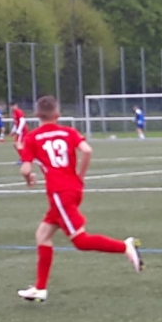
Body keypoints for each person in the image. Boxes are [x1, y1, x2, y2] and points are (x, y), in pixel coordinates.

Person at [16, 96, 143, 302]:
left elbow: (25, 168)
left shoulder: (32, 137)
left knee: (80, 241)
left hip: (59, 193)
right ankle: (40, 288)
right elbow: (87, 150)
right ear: (58, 114)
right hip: (73, 189)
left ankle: (125, 246)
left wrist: (28, 177)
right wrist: (80, 176)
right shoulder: (69, 132)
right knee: (42, 235)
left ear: (36, 114)